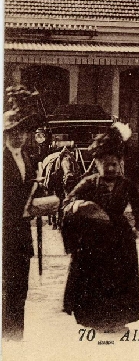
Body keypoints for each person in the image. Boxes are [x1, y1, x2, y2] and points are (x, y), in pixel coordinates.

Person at [61, 122, 139, 333]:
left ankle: (118, 318)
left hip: (120, 240)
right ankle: (94, 319)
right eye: (105, 164)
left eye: (114, 164)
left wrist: (138, 227)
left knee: (119, 279)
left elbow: (138, 206)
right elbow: (67, 203)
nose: (110, 168)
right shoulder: (88, 183)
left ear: (120, 163)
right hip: (93, 241)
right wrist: (80, 205)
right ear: (97, 163)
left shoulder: (126, 185)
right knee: (95, 279)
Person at [2, 85, 45, 341]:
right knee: (7, 291)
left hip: (21, 236)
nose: (17, 136)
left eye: (21, 132)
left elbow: (30, 191)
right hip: (4, 234)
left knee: (20, 291)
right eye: (11, 132)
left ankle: (15, 338)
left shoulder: (27, 158)